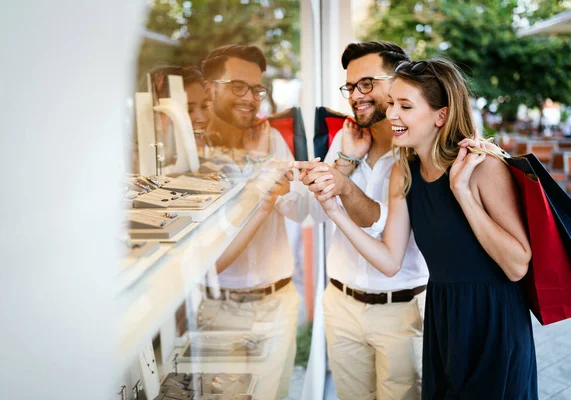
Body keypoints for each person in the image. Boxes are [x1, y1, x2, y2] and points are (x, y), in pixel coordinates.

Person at [310, 58, 538, 399]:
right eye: (391, 105)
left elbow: (518, 265)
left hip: (493, 321)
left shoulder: (483, 166)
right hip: (442, 318)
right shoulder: (405, 172)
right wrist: (333, 209)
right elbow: (389, 261)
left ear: (440, 115)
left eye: (405, 106)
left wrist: (462, 192)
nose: (391, 116)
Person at [296, 41, 429, 400]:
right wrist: (344, 161)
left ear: (399, 81)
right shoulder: (348, 137)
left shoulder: (419, 148)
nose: (356, 95)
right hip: (341, 305)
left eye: (367, 83)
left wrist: (341, 184)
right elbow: (311, 212)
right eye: (351, 87)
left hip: (401, 312)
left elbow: (385, 229)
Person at [200, 44, 308, 400]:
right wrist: (254, 170)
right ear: (210, 87)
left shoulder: (273, 138)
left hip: (276, 304)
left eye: (257, 89)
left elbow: (299, 210)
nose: (250, 98)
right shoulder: (196, 150)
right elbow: (210, 241)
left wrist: (280, 187)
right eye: (238, 86)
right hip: (217, 308)